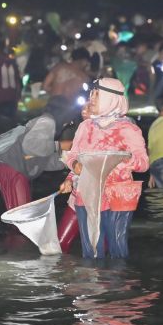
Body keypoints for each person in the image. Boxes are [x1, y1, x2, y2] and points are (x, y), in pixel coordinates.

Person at [60, 78, 148, 258]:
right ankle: (93, 285)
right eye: (91, 94)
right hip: (86, 195)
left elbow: (143, 163)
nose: (91, 98)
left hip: (118, 196)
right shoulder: (85, 126)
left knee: (117, 249)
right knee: (91, 251)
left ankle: (117, 284)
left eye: (97, 95)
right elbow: (73, 155)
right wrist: (74, 166)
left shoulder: (128, 129)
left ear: (111, 98)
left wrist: (117, 160)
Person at [0, 96, 78, 210]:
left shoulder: (46, 125)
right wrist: (59, 145)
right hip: (14, 170)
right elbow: (30, 147)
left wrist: (67, 160)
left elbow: (43, 160)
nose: (67, 124)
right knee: (22, 215)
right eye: (69, 120)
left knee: (18, 215)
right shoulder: (47, 121)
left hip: (13, 170)